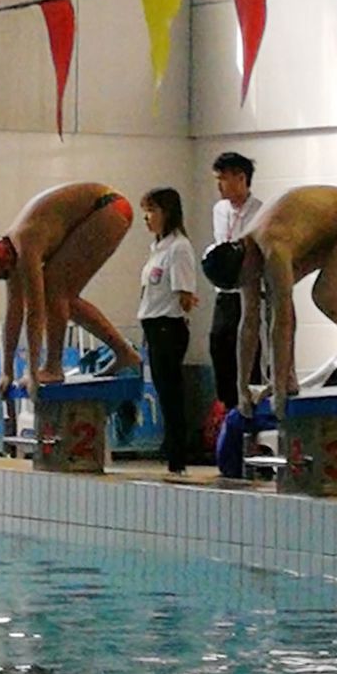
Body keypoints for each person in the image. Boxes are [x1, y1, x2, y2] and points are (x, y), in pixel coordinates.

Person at [200, 185, 337, 419]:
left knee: (324, 296)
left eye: (247, 277)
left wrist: (278, 390)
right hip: (325, 229)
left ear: (245, 261)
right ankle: (288, 378)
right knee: (271, 297)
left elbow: (283, 320)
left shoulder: (273, 247)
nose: (250, 281)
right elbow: (248, 324)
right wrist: (242, 389)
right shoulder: (246, 256)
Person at [0, 182, 139, 398]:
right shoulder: (12, 249)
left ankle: (53, 367)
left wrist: (33, 373)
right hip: (107, 207)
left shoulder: (26, 247)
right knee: (63, 296)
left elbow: (35, 313)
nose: (13, 280)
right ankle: (124, 353)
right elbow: (13, 314)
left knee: (55, 292)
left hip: (110, 208)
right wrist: (6, 372)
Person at [137, 187, 198, 477]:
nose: (147, 217)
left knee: (172, 393)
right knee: (164, 393)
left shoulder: (179, 248)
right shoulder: (157, 248)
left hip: (168, 327)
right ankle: (172, 451)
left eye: (152, 211)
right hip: (153, 326)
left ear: (167, 212)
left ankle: (178, 457)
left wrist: (185, 303)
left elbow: (184, 294)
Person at [208, 151, 262, 409]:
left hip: (249, 291)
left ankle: (251, 408)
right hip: (224, 291)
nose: (219, 185)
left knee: (248, 353)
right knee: (219, 346)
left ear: (241, 178)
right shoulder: (219, 210)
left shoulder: (260, 211)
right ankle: (227, 408)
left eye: (223, 179)